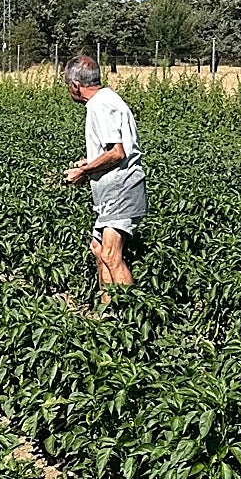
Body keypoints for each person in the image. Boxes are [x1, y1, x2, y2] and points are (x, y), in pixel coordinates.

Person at [62, 55, 148, 299]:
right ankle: (107, 311)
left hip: (122, 187)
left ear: (76, 85)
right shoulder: (105, 101)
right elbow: (111, 149)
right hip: (112, 190)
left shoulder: (101, 105)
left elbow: (117, 152)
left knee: (111, 254)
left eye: (68, 85)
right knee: (98, 249)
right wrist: (89, 161)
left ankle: (128, 317)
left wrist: (84, 171)